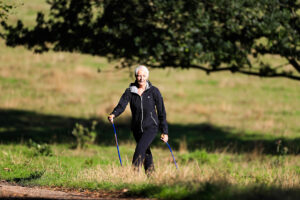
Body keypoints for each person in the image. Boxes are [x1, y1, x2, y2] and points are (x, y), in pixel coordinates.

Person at [108, 65, 168, 174]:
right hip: (136, 128)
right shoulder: (130, 91)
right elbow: (122, 105)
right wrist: (114, 114)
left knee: (139, 149)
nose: (141, 78)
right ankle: (152, 177)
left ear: (147, 77)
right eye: (139, 76)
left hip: (151, 127)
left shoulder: (154, 91)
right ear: (135, 76)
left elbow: (161, 112)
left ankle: (133, 175)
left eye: (144, 76)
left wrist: (165, 131)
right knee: (146, 152)